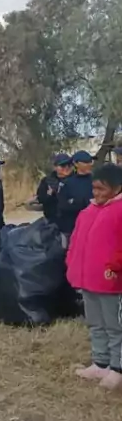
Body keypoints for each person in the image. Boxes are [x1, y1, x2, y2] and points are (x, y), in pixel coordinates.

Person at [66, 163, 122, 390]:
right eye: (94, 188)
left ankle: (117, 367)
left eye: (102, 189)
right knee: (95, 323)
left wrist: (115, 265)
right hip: (88, 279)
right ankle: (100, 362)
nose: (97, 193)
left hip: (111, 281)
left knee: (114, 326)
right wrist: (71, 262)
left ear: (117, 188)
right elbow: (75, 241)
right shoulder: (86, 212)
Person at [57, 150, 94, 244]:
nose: (89, 164)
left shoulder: (96, 180)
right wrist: (80, 203)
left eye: (90, 161)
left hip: (93, 226)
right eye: (85, 162)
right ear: (76, 164)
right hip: (72, 228)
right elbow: (62, 205)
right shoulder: (67, 183)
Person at [36, 154, 72, 224]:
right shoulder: (47, 181)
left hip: (70, 222)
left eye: (69, 165)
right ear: (55, 167)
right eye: (63, 165)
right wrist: (49, 194)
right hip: (51, 221)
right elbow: (41, 199)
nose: (66, 168)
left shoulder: (75, 180)